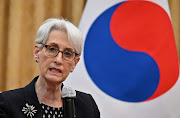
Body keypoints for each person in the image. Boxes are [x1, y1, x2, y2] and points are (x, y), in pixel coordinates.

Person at [0, 18, 100, 118]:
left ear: (74, 63)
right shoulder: (7, 104)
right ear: (36, 53)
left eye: (67, 53)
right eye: (52, 49)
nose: (58, 60)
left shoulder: (87, 107)